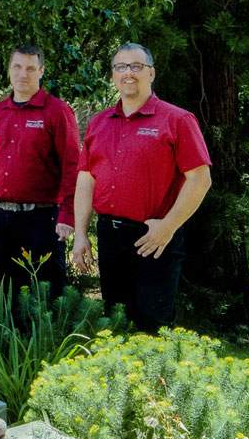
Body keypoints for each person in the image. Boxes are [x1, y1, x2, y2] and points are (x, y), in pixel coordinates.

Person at [72, 42, 212, 333]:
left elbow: (200, 179)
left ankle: (154, 379)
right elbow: (86, 178)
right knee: (115, 321)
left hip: (155, 237)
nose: (129, 73)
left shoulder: (177, 119)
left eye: (137, 66)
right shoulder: (99, 123)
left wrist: (168, 227)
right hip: (110, 237)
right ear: (113, 75)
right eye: (121, 67)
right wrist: (81, 235)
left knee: (152, 326)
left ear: (152, 73)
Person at [0, 44, 80, 307]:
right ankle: (13, 345)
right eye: (18, 67)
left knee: (48, 291)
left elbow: (72, 165)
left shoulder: (57, 111)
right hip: (3, 217)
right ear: (9, 70)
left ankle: (51, 344)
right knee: (8, 290)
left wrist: (67, 215)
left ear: (41, 71)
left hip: (43, 218)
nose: (23, 74)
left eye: (31, 68)